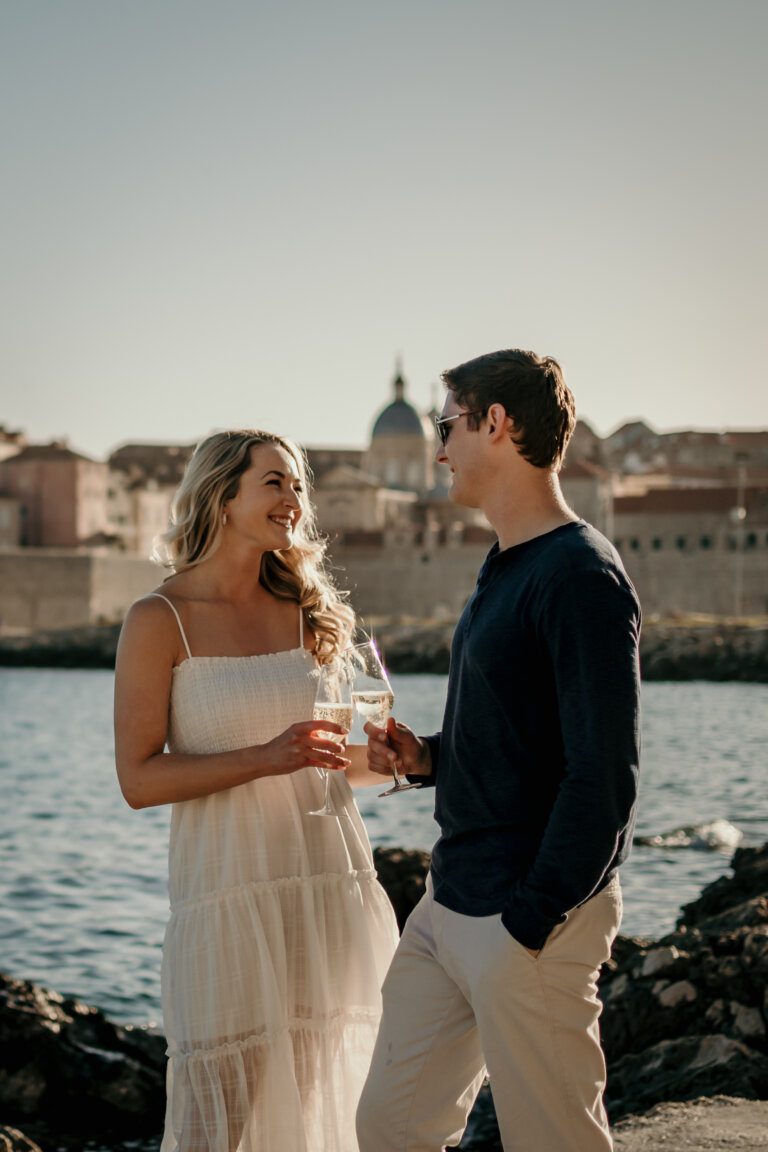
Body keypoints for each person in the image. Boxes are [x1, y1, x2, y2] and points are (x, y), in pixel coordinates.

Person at [357, 349, 641, 1152]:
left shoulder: (581, 575)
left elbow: (604, 778)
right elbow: (520, 740)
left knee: (555, 1141)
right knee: (390, 1127)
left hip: (524, 919)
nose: (438, 449)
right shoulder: (505, 563)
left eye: (448, 427)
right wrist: (428, 760)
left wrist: (530, 922)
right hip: (450, 902)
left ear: (496, 423)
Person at [114, 429, 399, 1152]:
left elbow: (329, 763)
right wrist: (264, 757)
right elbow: (140, 779)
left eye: (299, 484)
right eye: (275, 482)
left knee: (306, 1114)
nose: (294, 499)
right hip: (227, 896)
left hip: (323, 883)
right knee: (218, 1125)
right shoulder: (159, 619)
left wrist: (393, 762)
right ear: (222, 494)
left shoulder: (309, 612)